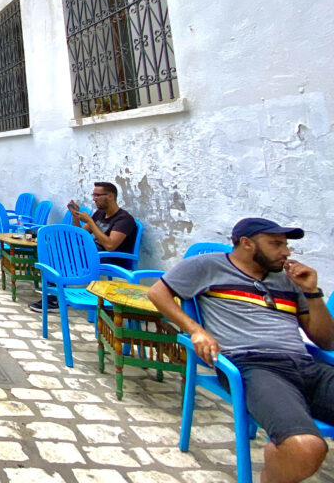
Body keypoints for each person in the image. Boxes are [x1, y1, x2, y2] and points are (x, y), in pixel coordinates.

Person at [147, 218, 334, 483]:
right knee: (305, 447)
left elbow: (326, 342)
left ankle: (284, 455)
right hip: (253, 367)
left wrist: (312, 292)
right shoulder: (208, 265)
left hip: (307, 365)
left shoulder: (289, 280)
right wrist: (196, 330)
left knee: (301, 448)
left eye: (286, 245)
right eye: (276, 244)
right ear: (246, 243)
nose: (286, 252)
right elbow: (157, 293)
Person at [29, 180, 139, 312]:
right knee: (56, 248)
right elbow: (80, 234)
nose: (94, 199)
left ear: (110, 196)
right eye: (93, 195)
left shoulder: (123, 219)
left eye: (97, 196)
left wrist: (91, 222)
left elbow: (110, 245)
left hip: (111, 258)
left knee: (64, 254)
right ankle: (54, 291)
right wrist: (75, 216)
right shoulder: (100, 214)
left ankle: (56, 298)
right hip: (93, 254)